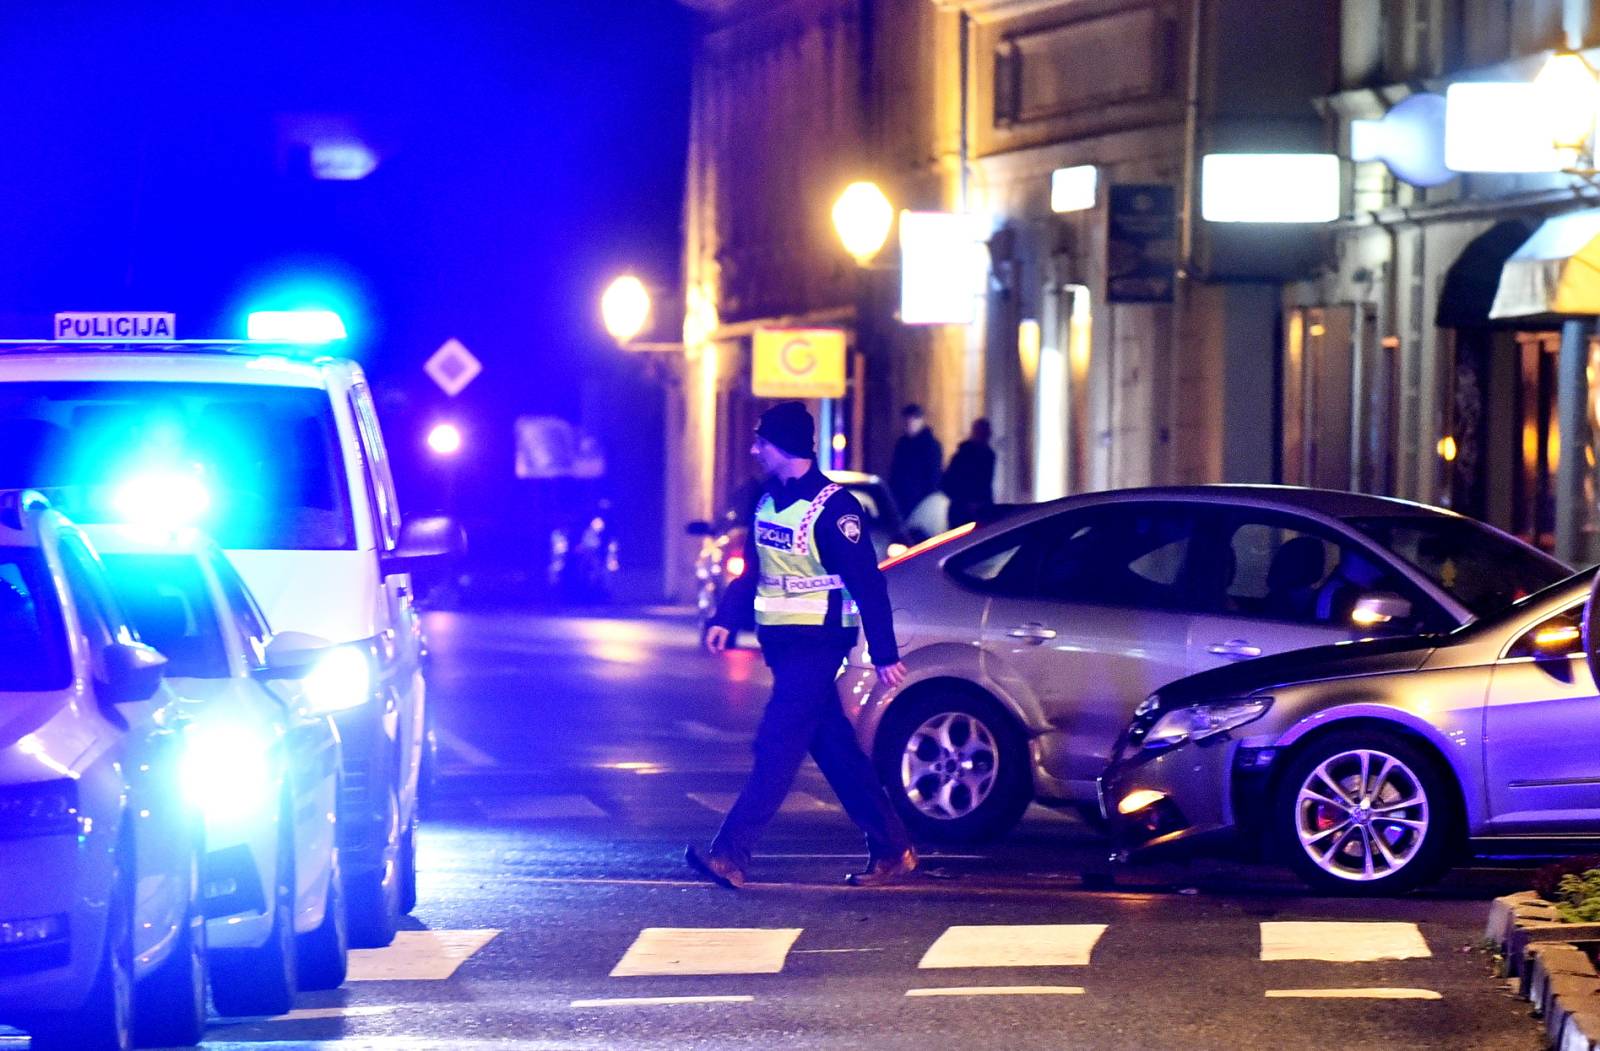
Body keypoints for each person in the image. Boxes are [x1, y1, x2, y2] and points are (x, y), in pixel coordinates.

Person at [688, 401, 918, 889]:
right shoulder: (767, 501)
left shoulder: (835, 508)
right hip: (783, 645)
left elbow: (867, 583)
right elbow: (754, 570)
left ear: (784, 446)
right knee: (835, 750)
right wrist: (725, 618)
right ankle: (893, 849)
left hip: (820, 644)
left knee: (776, 743)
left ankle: (730, 855)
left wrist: (884, 653)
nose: (754, 450)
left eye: (762, 442)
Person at [887, 404, 942, 520]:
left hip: (920, 500)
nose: (910, 424)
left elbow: (933, 476)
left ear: (921, 421)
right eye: (907, 421)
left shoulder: (931, 445)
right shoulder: (902, 444)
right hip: (901, 499)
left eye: (913, 420)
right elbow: (895, 472)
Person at [940, 417, 996, 529]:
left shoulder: (966, 454)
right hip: (968, 507)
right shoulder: (984, 455)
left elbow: (947, 481)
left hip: (964, 506)